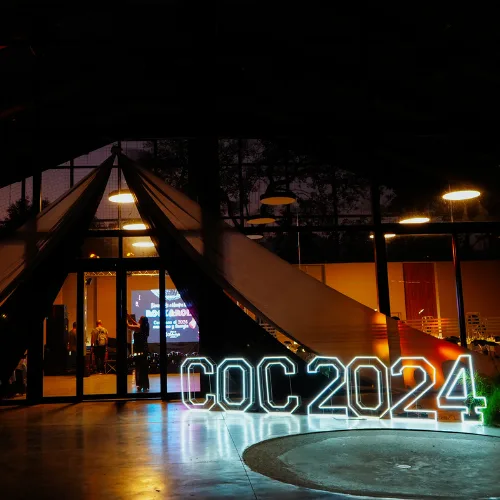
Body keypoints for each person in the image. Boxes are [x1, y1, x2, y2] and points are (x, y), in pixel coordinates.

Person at [126, 313, 150, 392]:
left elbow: (128, 326)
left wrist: (124, 319)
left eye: (140, 319)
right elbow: (134, 322)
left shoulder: (138, 328)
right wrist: (129, 317)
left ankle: (140, 385)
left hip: (139, 350)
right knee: (144, 368)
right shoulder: (144, 327)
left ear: (142, 321)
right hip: (144, 350)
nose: (138, 320)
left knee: (139, 368)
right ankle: (145, 385)